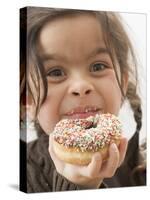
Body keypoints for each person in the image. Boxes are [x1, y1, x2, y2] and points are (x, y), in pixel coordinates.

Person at [20, 7, 146, 193]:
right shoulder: (22, 174)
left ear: (123, 83)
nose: (81, 86)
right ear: (27, 100)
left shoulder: (142, 167)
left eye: (98, 66)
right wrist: (78, 186)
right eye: (55, 72)